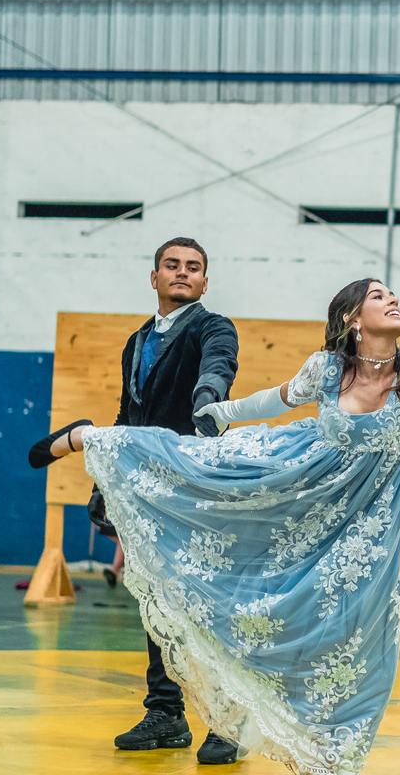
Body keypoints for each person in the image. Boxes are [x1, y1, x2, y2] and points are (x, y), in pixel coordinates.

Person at [28, 261, 400, 775]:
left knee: (355, 633)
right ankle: (88, 437)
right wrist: (222, 413)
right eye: (379, 295)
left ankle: (330, 750)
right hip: (300, 481)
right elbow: (276, 399)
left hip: (367, 521)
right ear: (352, 318)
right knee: (201, 477)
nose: (393, 300)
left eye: (393, 293)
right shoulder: (327, 369)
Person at [72, 238, 241, 763]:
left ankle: (227, 721)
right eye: (172, 265)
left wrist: (209, 397)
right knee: (155, 602)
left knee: (203, 605)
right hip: (145, 493)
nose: (182, 273)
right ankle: (166, 713)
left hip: (194, 487)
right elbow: (127, 417)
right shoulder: (136, 341)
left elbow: (219, 366)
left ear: (205, 282)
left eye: (193, 267)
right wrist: (105, 483)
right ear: (154, 277)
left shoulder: (213, 327)